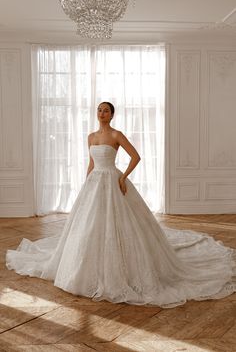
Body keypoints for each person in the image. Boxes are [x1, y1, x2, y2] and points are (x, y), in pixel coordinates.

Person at [6, 102, 236, 308]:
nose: (101, 113)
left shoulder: (116, 135)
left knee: (118, 225)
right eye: (99, 109)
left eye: (106, 110)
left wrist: (123, 177)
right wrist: (86, 185)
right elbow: (91, 162)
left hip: (112, 180)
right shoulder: (91, 136)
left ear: (112, 115)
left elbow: (136, 156)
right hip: (95, 182)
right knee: (89, 227)